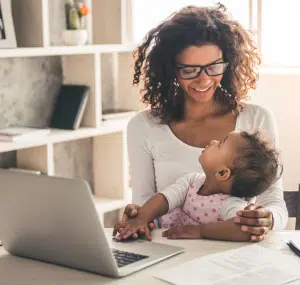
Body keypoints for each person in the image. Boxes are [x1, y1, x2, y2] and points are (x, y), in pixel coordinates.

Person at [119, 4, 288, 241]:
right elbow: (145, 204)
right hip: (169, 251)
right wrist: (139, 217)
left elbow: (274, 204)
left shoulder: (257, 119)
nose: (204, 79)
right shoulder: (143, 126)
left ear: (228, 63)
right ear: (171, 71)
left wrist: (266, 219)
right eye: (189, 70)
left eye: (213, 67)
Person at [114, 131, 282, 241]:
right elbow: (165, 198)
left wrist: (200, 231)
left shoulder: (230, 203)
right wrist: (142, 217)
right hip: (163, 245)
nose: (213, 140)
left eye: (220, 144)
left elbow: (244, 230)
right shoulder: (192, 182)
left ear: (222, 173)